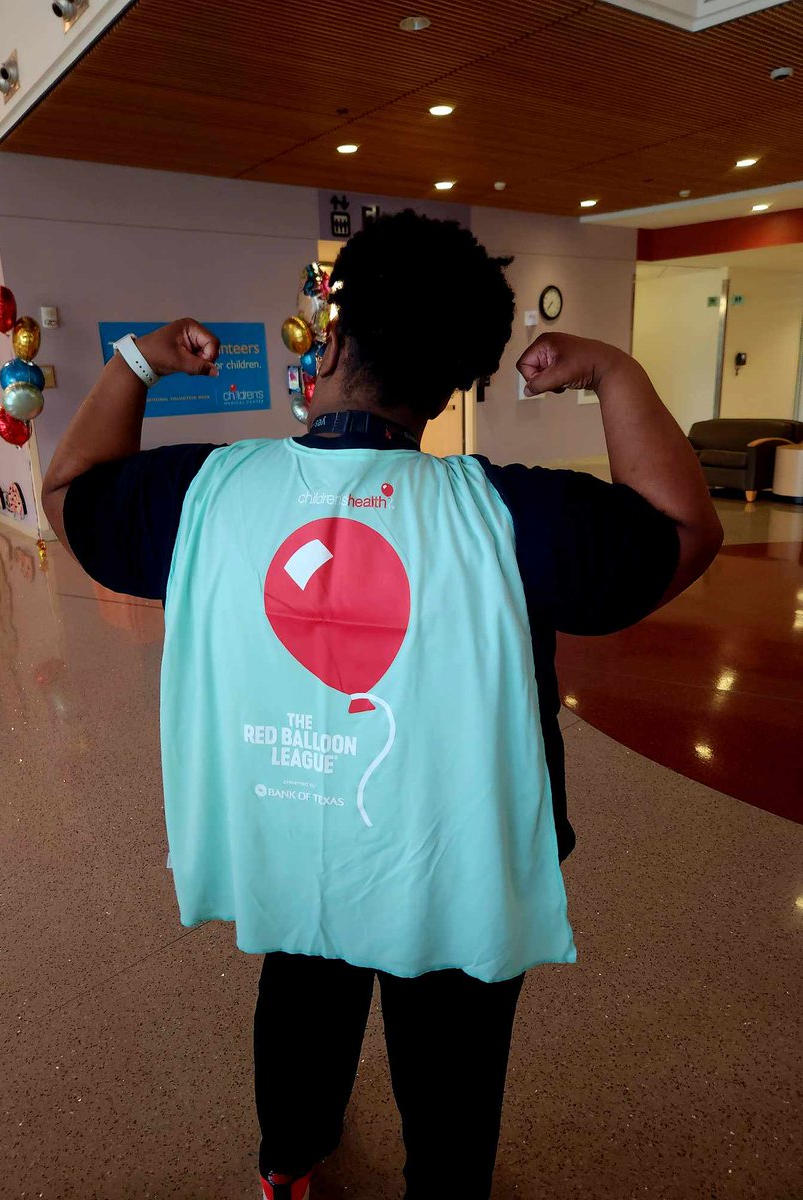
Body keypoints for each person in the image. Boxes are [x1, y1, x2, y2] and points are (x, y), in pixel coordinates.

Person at [42, 210, 722, 1200]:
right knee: (451, 1059)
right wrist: (615, 373)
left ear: (332, 333)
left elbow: (70, 491)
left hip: (292, 826)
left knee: (303, 998)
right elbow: (681, 530)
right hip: (452, 855)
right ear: (454, 382)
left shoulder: (210, 491)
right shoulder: (508, 515)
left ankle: (288, 1163)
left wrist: (139, 365)